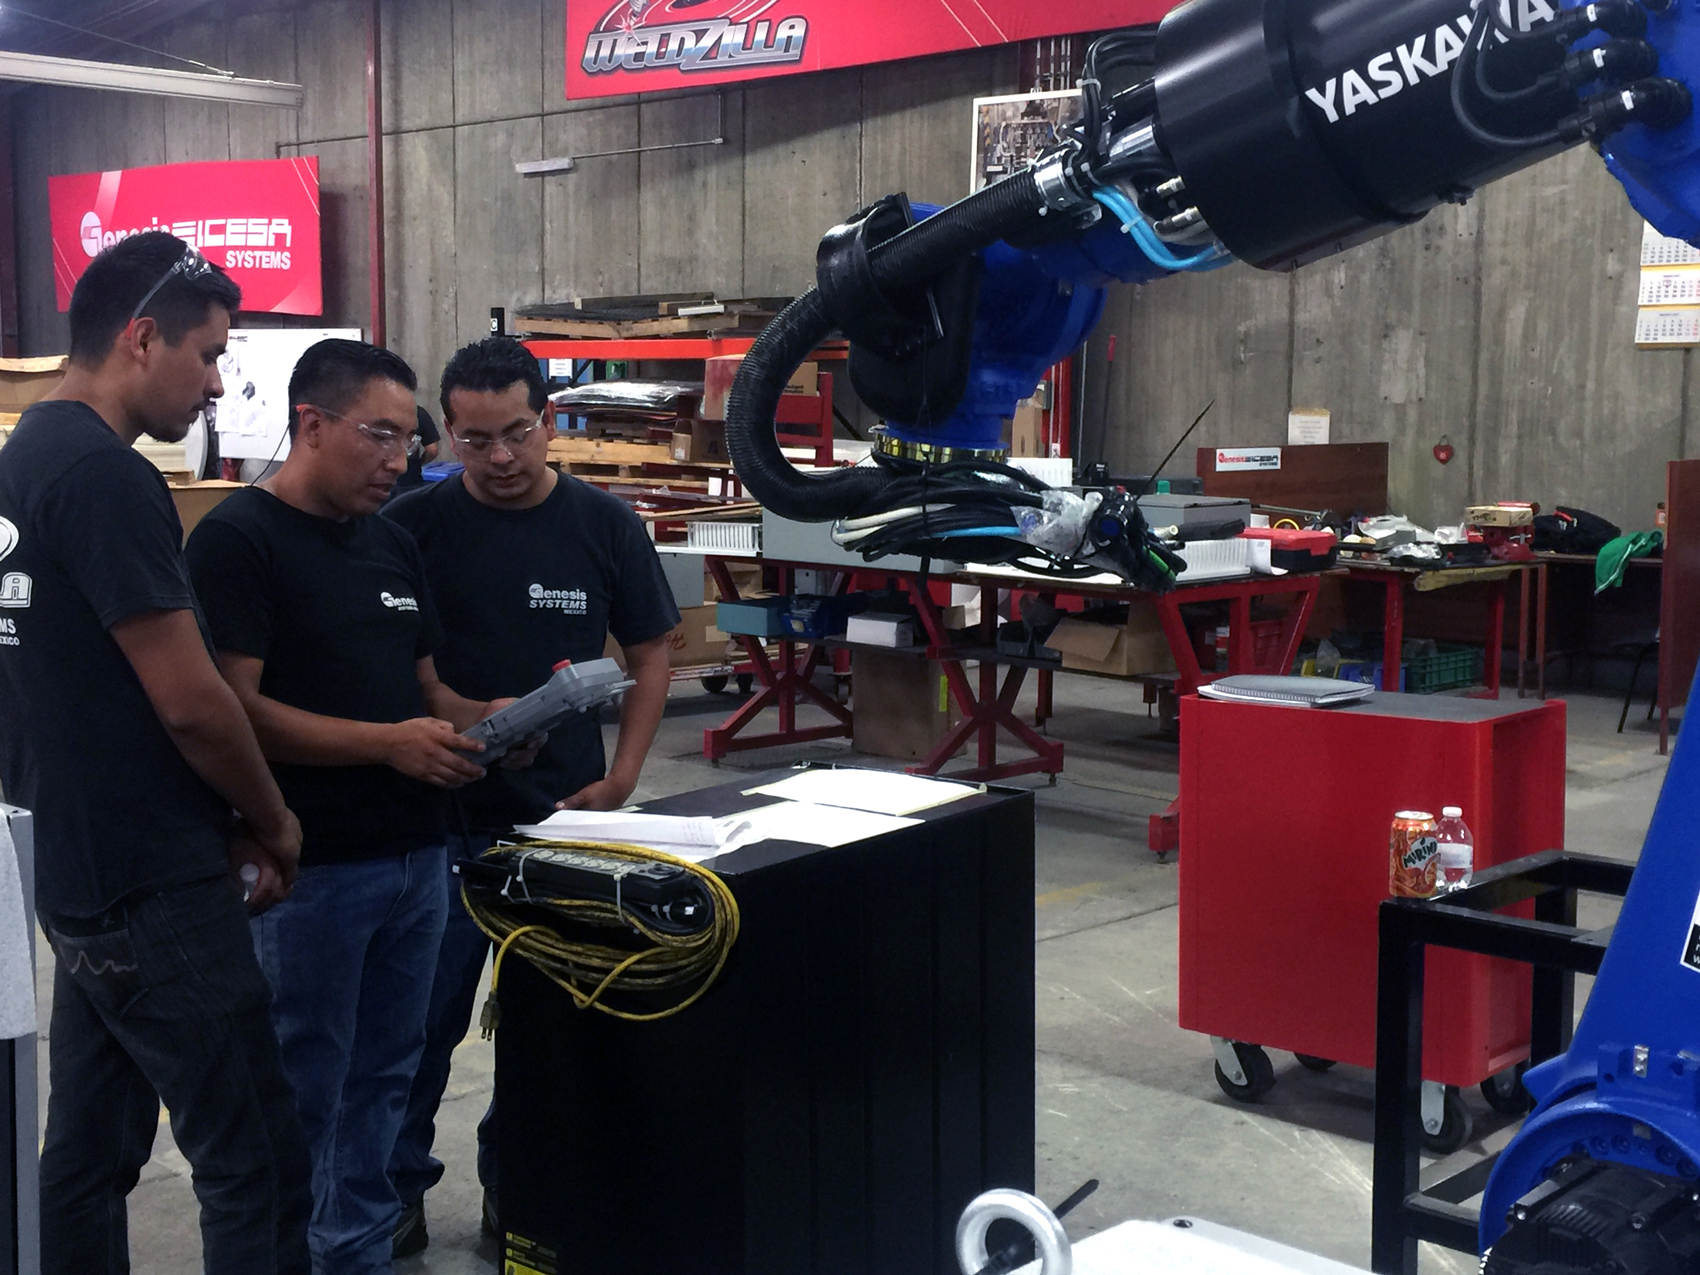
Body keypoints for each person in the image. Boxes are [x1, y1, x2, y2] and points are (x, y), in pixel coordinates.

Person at [185, 338, 534, 1275]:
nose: (398, 460)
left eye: (408, 442)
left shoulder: (391, 543)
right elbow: (234, 712)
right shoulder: (237, 541)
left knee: (388, 1075)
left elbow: (427, 695)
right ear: (310, 423)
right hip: (311, 867)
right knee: (304, 1085)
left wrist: (489, 721)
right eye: (379, 435)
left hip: (420, 858)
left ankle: (357, 1254)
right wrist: (388, 744)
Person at [0, 231, 312, 1274]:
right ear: (141, 339)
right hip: (152, 877)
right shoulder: (105, 476)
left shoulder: (22, 461)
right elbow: (190, 701)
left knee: (88, 1150)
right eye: (210, 354)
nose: (218, 384)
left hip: (72, 865)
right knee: (255, 1162)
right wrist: (270, 817)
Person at [383, 336, 679, 1255]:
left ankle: (523, 1192)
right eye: (475, 441)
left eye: (517, 433)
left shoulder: (603, 525)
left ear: (549, 420)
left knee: (546, 1037)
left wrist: (624, 773)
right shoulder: (411, 527)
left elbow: (652, 647)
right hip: (441, 824)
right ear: (448, 437)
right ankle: (397, 1193)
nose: (501, 459)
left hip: (561, 824)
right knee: (416, 1031)